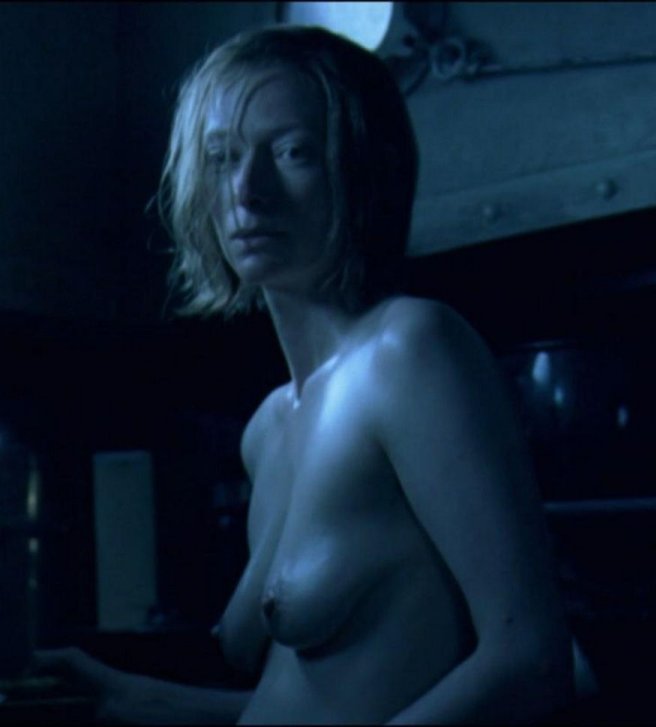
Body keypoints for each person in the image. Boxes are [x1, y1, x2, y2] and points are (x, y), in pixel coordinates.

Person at [33, 25, 575, 724]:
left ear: (361, 171)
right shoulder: (268, 427)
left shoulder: (410, 351)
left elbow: (529, 658)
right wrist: (131, 696)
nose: (247, 191)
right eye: (222, 157)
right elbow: (306, 704)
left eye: (292, 152)